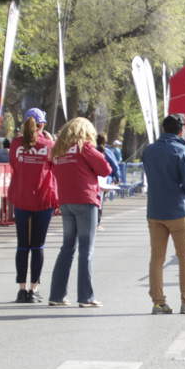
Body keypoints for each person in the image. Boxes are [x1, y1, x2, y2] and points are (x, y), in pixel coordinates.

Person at [47, 117, 111, 308]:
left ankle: (57, 295)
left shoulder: (59, 149)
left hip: (66, 200)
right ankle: (86, 296)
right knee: (86, 249)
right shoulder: (84, 147)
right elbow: (105, 169)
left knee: (67, 247)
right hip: (85, 199)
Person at [143, 114, 185, 315]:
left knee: (156, 257)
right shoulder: (182, 150)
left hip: (155, 210)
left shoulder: (149, 150)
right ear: (181, 131)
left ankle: (158, 302)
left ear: (163, 128)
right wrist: (183, 196)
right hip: (177, 210)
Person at [8, 108, 58, 304]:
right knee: (38, 245)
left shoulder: (15, 144)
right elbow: (54, 165)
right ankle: (33, 288)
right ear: (42, 125)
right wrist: (49, 140)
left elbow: (13, 164)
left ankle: (21, 290)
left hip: (21, 197)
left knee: (22, 245)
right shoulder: (48, 145)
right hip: (43, 199)